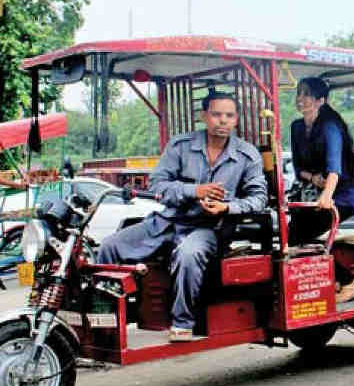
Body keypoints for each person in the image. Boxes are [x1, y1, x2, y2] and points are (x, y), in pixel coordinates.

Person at [96, 92, 267, 342]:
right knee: (109, 247)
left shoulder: (247, 155)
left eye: (229, 116)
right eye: (216, 114)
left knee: (189, 253)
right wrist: (193, 191)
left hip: (208, 229)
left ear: (236, 120)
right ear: (204, 117)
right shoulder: (180, 146)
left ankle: (182, 323)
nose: (222, 121)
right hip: (167, 222)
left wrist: (226, 207)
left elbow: (258, 198)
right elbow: (157, 186)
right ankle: (104, 325)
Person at [288, 77, 354, 302]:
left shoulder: (331, 126)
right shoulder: (297, 127)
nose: (300, 99)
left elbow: (335, 168)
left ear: (321, 100)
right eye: (299, 93)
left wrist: (327, 195)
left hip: (343, 195)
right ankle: (333, 282)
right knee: (290, 234)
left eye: (306, 94)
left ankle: (351, 282)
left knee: (299, 234)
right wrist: (313, 178)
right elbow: (298, 169)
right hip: (315, 193)